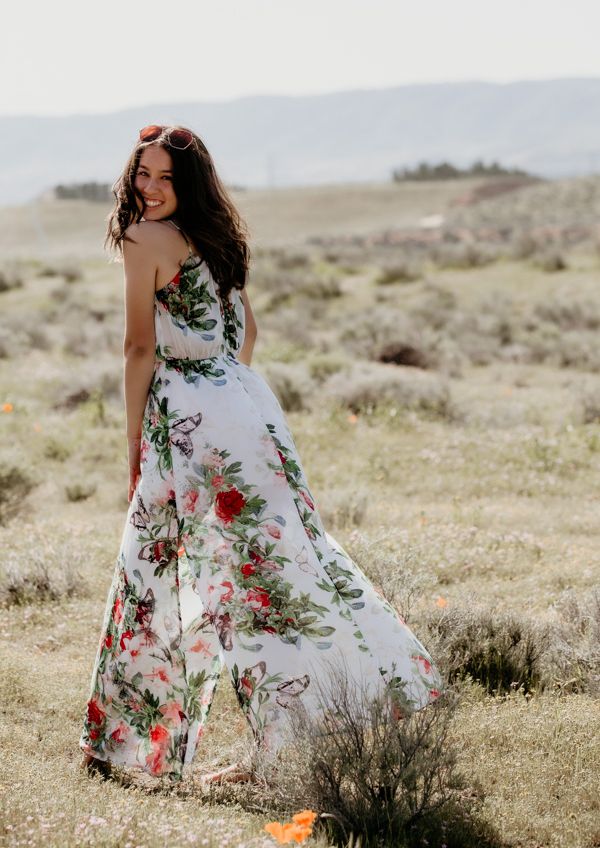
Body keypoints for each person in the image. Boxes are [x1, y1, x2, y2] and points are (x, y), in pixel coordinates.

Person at [79, 124, 443, 783]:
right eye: (143, 174)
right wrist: (223, 388)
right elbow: (248, 332)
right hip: (248, 409)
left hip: (188, 423)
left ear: (186, 184)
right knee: (276, 576)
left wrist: (134, 438)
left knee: (156, 571)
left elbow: (138, 348)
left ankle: (128, 749)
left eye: (165, 177)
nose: (151, 189)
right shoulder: (215, 241)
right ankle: (324, 713)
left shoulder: (142, 239)